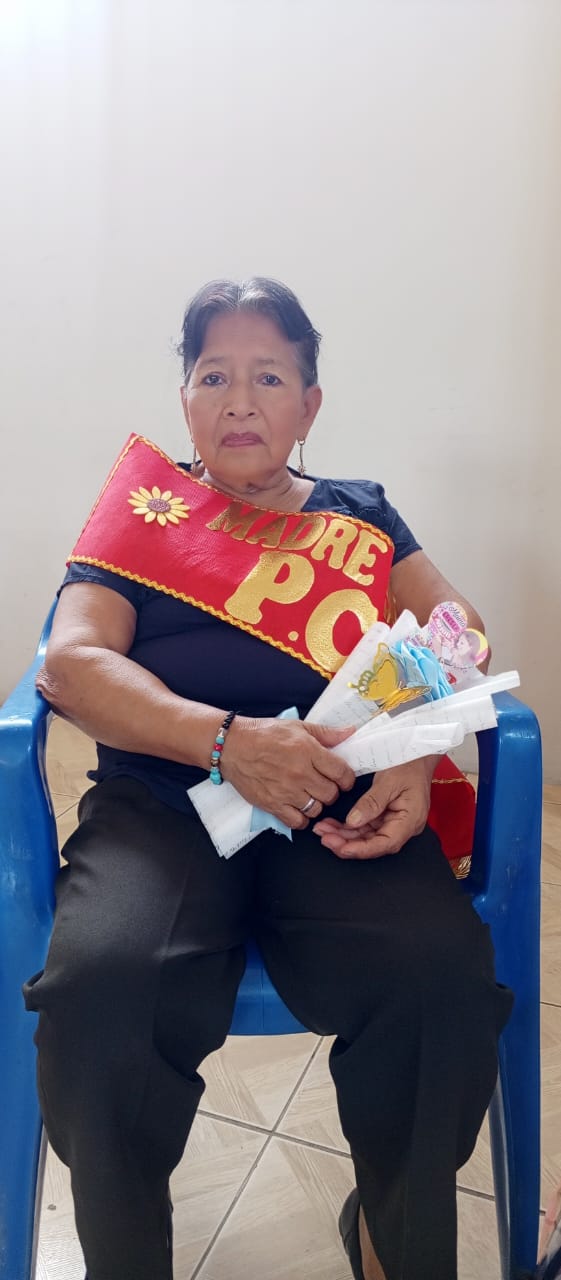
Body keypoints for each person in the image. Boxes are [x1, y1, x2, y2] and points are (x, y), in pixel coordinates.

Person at [24, 278, 513, 1280]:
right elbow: (70, 665)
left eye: (268, 377)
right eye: (214, 376)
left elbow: (456, 629)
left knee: (438, 980)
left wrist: (413, 749)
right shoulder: (148, 509)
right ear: (185, 398)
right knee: (103, 991)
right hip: (164, 804)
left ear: (309, 405)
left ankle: (390, 1239)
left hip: (334, 803)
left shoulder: (358, 514)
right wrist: (223, 741)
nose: (239, 400)